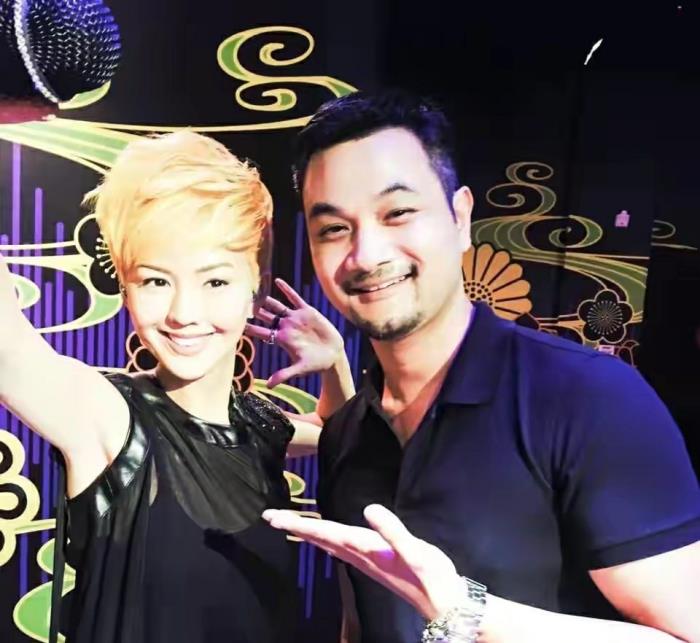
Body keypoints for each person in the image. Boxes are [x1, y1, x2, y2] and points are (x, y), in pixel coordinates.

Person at [263, 90, 700, 642]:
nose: (367, 254)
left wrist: (466, 611)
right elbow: (360, 623)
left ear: (460, 217)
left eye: (397, 213)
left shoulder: (589, 398)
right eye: (333, 229)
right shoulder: (346, 434)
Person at [0, 130, 352, 642]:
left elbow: (339, 436)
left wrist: (335, 363)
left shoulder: (257, 424)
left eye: (215, 281)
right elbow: (9, 353)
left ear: (254, 285)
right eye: (156, 281)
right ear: (126, 287)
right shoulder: (110, 417)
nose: (184, 314)